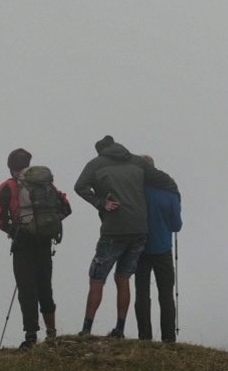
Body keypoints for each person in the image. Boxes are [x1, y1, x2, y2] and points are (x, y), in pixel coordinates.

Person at [74, 135, 179, 338]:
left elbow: (80, 187)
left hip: (114, 228)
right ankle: (120, 329)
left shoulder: (96, 164)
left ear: (100, 151)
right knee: (123, 278)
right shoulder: (136, 161)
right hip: (140, 230)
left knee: (97, 278)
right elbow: (165, 180)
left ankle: (86, 329)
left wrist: (100, 203)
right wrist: (175, 195)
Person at [0, 148, 71, 350]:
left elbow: (0, 219)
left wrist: (15, 230)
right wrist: (48, 225)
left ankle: (30, 336)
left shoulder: (8, 186)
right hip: (44, 243)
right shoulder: (46, 184)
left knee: (26, 290)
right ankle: (52, 333)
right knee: (45, 287)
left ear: (11, 167)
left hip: (23, 245)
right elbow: (66, 207)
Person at [133, 155, 183, 342]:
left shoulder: (135, 192)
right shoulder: (169, 193)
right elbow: (176, 226)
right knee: (166, 293)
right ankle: (168, 337)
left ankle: (144, 336)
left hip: (140, 248)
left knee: (142, 292)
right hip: (163, 248)